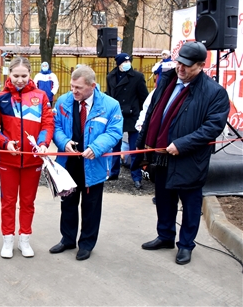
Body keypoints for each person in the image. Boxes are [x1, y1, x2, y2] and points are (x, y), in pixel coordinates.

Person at [133, 41, 230, 265]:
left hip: (189, 159)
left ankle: (186, 245)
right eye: (179, 63)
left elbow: (211, 127)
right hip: (161, 155)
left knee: (190, 205)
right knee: (164, 200)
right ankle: (165, 236)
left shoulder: (214, 93)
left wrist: (182, 144)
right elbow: (151, 115)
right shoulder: (166, 81)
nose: (181, 69)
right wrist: (142, 146)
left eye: (188, 66)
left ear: (201, 65)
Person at [50, 65, 122, 261]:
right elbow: (55, 126)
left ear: (92, 86)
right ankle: (67, 239)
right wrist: (63, 142)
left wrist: (97, 148)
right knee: (68, 203)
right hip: (68, 162)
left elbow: (114, 132)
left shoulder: (110, 105)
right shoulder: (64, 101)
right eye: (72, 86)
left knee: (91, 206)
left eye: (78, 88)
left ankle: (87, 244)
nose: (73, 91)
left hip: (94, 163)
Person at [0, 57, 54, 259]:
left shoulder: (40, 96)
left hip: (32, 160)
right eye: (16, 75)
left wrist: (42, 144)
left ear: (30, 75)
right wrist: (5, 143)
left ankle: (24, 239)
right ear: (9, 75)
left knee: (28, 202)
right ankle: (7, 239)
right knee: (7, 202)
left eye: (24, 75)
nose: (20, 80)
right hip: (8, 160)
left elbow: (47, 125)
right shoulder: (0, 99)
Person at [106, 53, 149, 188]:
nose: (127, 63)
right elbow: (109, 96)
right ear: (118, 63)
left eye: (129, 60)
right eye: (124, 61)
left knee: (134, 147)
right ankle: (114, 172)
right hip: (116, 115)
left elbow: (144, 98)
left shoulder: (137, 77)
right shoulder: (110, 76)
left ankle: (136, 177)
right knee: (115, 146)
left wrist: (143, 115)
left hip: (133, 116)